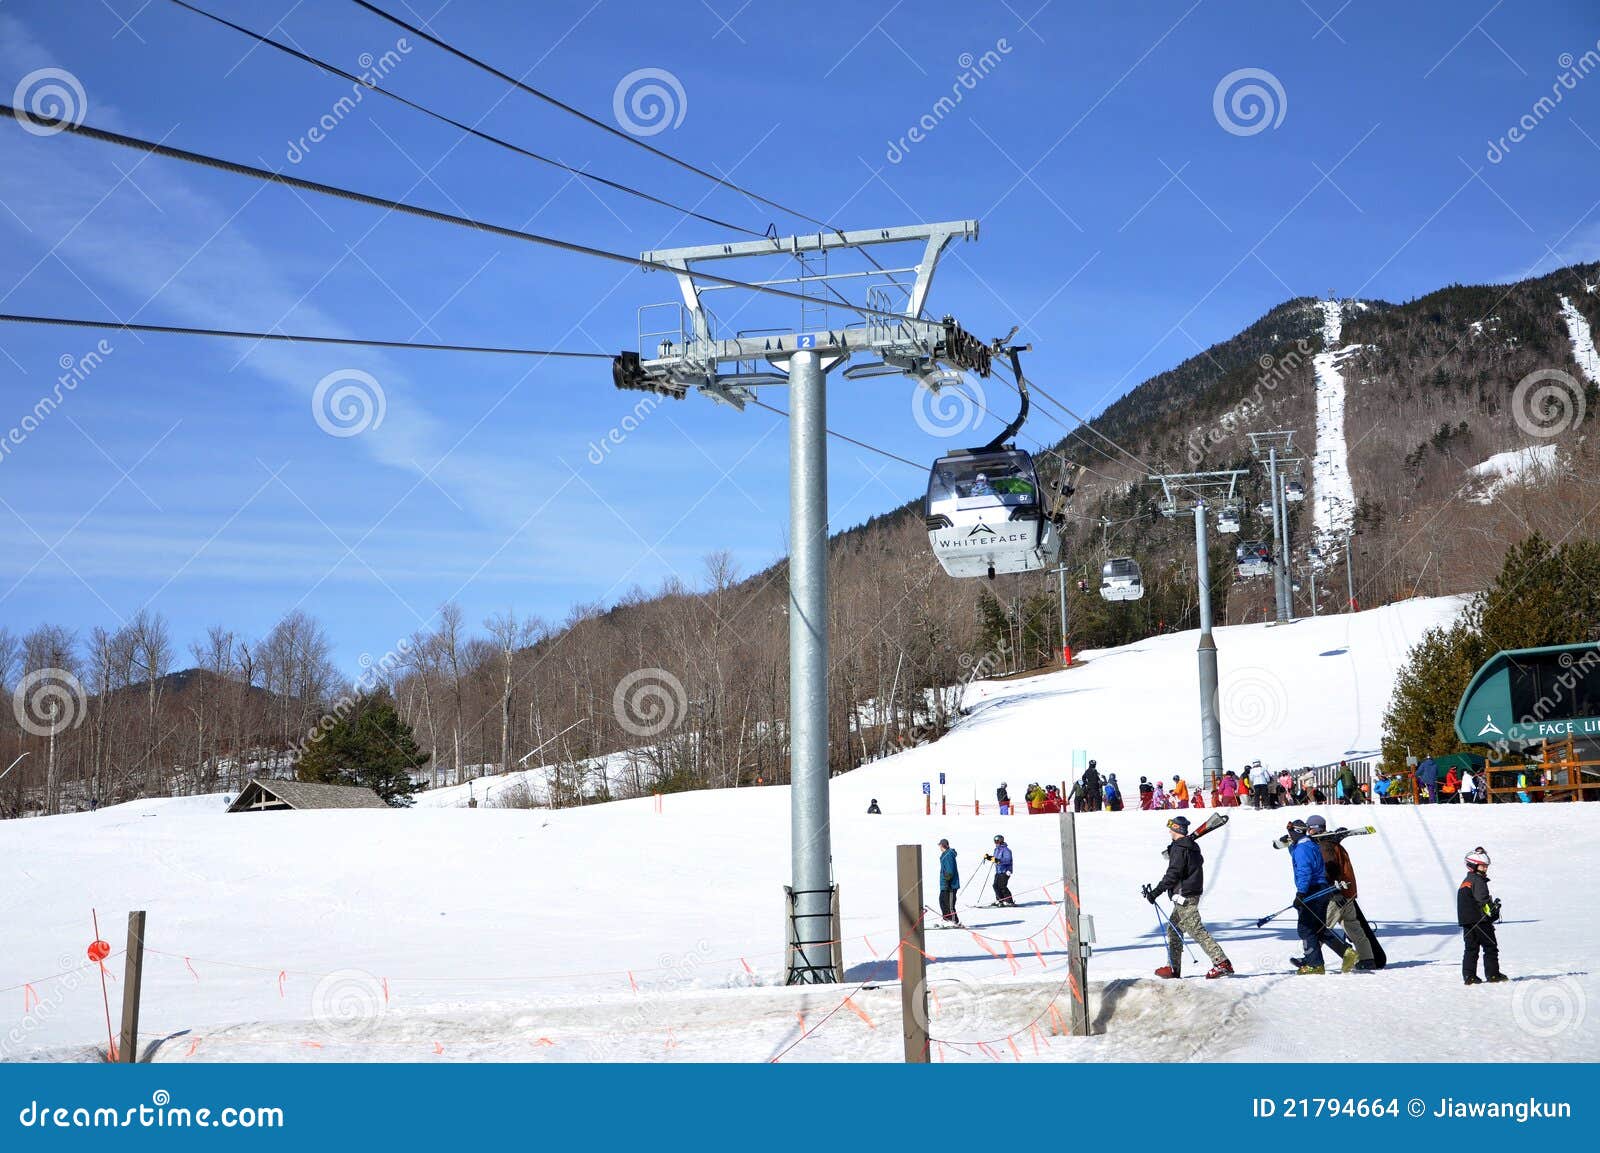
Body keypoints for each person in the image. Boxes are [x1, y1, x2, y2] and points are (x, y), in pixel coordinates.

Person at [1143, 815, 1234, 979]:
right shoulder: (1190, 846)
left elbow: (1173, 873)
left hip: (1185, 895)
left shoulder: (1180, 848)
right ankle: (1173, 968)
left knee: (1195, 929)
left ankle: (1222, 962)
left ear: (1176, 829)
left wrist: (1156, 891)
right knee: (1174, 929)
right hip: (1188, 893)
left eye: (1171, 827)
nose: (1169, 830)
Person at [1307, 815, 1383, 969]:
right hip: (1347, 892)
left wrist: (1332, 890)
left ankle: (1310, 960)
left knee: (1319, 927)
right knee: (1353, 927)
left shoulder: (1325, 846)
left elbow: (1331, 868)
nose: (1308, 831)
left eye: (1310, 828)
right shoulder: (1331, 844)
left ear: (1316, 828)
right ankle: (1367, 959)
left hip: (1334, 895)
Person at [1286, 818, 1357, 974]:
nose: (1289, 836)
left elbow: (1304, 871)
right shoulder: (1309, 844)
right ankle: (1346, 952)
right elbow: (1298, 854)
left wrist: (1301, 893)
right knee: (1318, 928)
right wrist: (1291, 844)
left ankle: (1315, 965)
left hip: (1312, 890)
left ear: (1295, 832)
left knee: (1305, 928)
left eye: (1290, 833)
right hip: (1321, 889)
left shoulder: (1302, 849)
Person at [1459, 847, 1507, 984]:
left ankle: (1469, 976)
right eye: (1483, 866)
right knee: (1490, 947)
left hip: (1466, 922)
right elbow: (1482, 901)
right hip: (1479, 921)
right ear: (1473, 865)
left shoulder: (1466, 881)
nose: (1485, 868)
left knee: (1471, 949)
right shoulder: (1478, 881)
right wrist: (1493, 911)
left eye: (1486, 866)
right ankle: (1493, 975)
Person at [984, 835, 1016, 907]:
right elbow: (995, 859)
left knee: (1002, 886)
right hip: (998, 871)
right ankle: (1000, 900)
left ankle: (1009, 901)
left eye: (997, 841)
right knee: (995, 885)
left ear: (1001, 841)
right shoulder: (996, 849)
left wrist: (998, 861)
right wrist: (988, 857)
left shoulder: (1006, 850)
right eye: (995, 841)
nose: (996, 842)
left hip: (1005, 871)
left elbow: (1007, 860)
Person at [937, 838, 961, 925]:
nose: (939, 847)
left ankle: (954, 920)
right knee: (942, 901)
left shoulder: (948, 855)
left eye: (940, 845)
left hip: (951, 884)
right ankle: (947, 919)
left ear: (942, 845)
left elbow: (950, 871)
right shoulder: (945, 854)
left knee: (949, 904)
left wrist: (947, 882)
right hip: (945, 884)